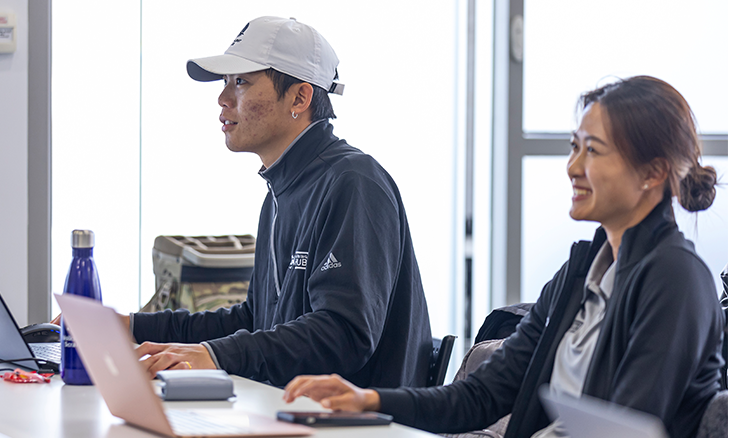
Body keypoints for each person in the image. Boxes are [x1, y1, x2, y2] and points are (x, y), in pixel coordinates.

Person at [283, 76, 725, 438]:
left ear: (653, 173)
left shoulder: (676, 277)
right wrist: (371, 400)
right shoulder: (578, 273)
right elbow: (481, 397)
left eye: (593, 150)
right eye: (575, 146)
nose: (573, 166)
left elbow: (623, 431)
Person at [56, 16, 432, 388]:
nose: (222, 99)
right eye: (225, 82)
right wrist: (130, 326)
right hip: (289, 411)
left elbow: (344, 334)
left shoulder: (354, 182)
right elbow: (256, 320)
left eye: (241, 82)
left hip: (359, 425)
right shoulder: (282, 190)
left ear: (299, 97)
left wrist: (216, 355)